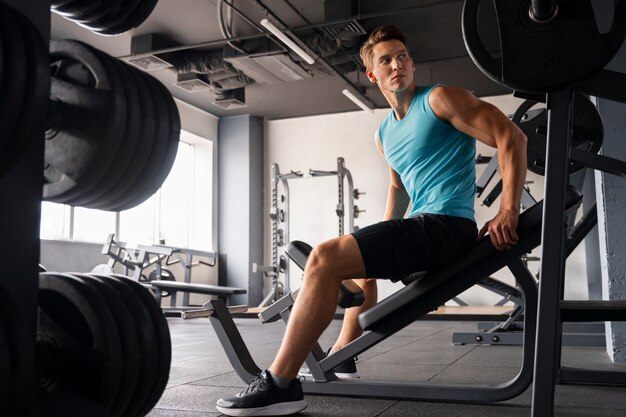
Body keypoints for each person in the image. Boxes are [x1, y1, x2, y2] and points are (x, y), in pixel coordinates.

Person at [216, 25, 527, 416]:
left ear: (412, 63)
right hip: (422, 227)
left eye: (402, 56)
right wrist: (372, 238)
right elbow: (398, 188)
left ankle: (280, 383)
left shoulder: (440, 99)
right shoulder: (384, 133)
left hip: (447, 227)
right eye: (385, 60)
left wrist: (507, 209)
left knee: (324, 258)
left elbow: (511, 136)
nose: (396, 64)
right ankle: (344, 352)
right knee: (354, 256)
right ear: (372, 74)